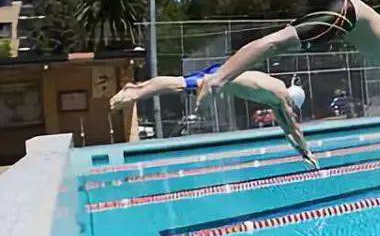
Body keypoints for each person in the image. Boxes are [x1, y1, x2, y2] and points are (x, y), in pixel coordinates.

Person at [195, 0, 380, 172]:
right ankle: (218, 80)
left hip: (343, 18)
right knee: (276, 43)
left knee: (280, 46)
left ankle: (220, 78)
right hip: (346, 14)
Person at [110, 66, 317, 167]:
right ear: (293, 101)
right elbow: (293, 127)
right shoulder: (281, 96)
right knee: (178, 85)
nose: (291, 109)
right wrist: (308, 151)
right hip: (217, 79)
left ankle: (137, 90)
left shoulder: (277, 97)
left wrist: (300, 150)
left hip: (221, 75)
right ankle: (135, 90)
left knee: (179, 83)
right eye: (293, 107)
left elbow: (287, 128)